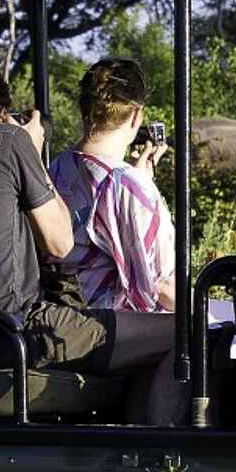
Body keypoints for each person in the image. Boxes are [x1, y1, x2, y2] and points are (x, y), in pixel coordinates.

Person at [0, 57, 184, 425]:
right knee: (185, 334)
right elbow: (60, 243)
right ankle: (159, 456)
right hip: (18, 332)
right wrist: (28, 148)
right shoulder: (10, 142)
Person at [49, 57, 176, 313]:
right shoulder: (128, 186)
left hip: (60, 316)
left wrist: (136, 181)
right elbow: (161, 286)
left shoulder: (57, 167)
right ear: (136, 115)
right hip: (109, 326)